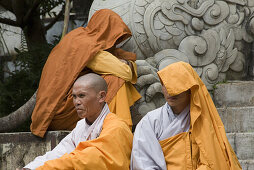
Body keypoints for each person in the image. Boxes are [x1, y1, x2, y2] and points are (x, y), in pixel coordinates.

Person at [31, 9, 141, 137]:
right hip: (60, 113)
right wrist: (126, 64)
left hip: (52, 112)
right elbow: (125, 72)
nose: (114, 43)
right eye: (113, 36)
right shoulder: (87, 46)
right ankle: (122, 129)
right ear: (105, 29)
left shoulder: (78, 37)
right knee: (115, 80)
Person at [131, 62, 242, 170]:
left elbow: (214, 161)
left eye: (176, 85)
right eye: (165, 85)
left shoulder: (203, 119)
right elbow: (143, 162)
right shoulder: (151, 121)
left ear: (190, 88)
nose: (170, 92)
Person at [23, 73, 133, 170]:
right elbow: (58, 153)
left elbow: (88, 159)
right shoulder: (81, 126)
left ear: (101, 97)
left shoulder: (116, 127)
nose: (76, 102)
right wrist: (31, 167)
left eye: (82, 96)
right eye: (74, 97)